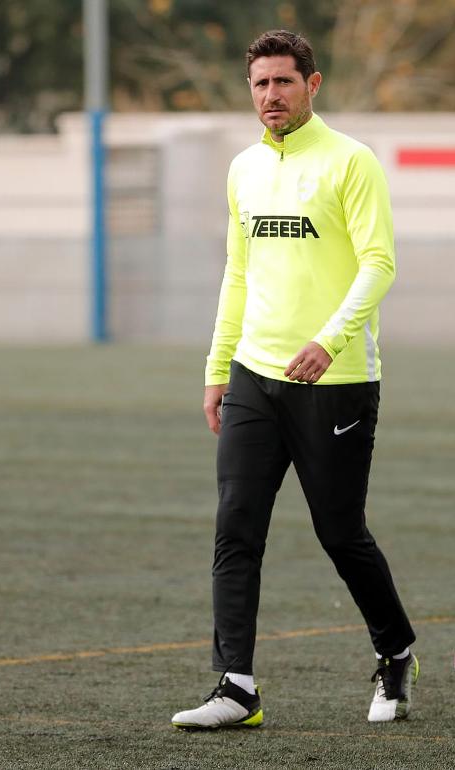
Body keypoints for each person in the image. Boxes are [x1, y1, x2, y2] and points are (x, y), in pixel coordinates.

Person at [171, 29, 417, 730]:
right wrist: (219, 369)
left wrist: (328, 339)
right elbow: (238, 274)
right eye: (259, 85)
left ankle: (395, 651)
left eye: (282, 82)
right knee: (235, 527)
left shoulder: (352, 162)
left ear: (312, 84)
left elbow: (379, 264)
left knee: (339, 532)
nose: (270, 96)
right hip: (254, 375)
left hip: (336, 379)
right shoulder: (244, 169)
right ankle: (236, 687)